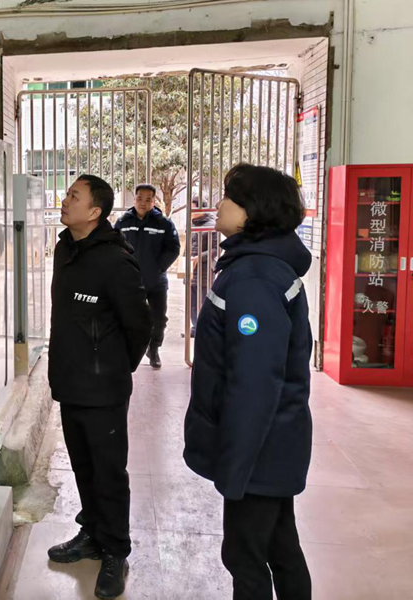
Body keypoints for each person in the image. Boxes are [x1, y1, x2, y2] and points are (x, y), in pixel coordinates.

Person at [183, 163, 313, 600]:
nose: (219, 204)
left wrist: (236, 466)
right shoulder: (260, 266)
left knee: (245, 557)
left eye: (230, 198)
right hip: (273, 443)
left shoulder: (255, 277)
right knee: (280, 547)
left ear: (252, 212)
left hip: (260, 448)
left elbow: (254, 384)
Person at [47, 174, 152, 599]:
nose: (65, 200)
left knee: (108, 472)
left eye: (74, 196)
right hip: (69, 381)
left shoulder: (115, 261)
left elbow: (139, 326)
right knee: (83, 466)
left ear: (94, 212)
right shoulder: (64, 249)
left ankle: (115, 550)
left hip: (103, 388)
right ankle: (91, 533)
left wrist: (112, 368)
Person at [115, 184, 180, 368]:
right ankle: (128, 351)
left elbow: (174, 248)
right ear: (134, 199)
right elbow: (114, 245)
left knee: (159, 319)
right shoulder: (123, 222)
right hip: (130, 280)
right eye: (139, 199)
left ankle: (154, 349)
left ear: (153, 201)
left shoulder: (164, 223)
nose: (143, 203)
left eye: (148, 199)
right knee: (129, 317)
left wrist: (158, 267)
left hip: (156, 282)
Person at [188, 210, 219, 338]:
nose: (191, 209)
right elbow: (188, 247)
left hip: (205, 270)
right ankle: (195, 327)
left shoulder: (211, 225)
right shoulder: (191, 224)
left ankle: (204, 327)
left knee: (204, 300)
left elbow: (216, 249)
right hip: (191, 269)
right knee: (192, 302)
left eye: (193, 206)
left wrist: (199, 257)